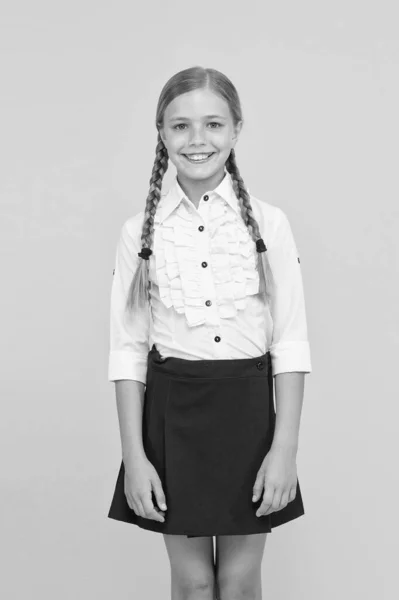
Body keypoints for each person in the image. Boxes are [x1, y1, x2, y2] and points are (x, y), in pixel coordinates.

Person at [107, 66, 312, 600]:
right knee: (194, 583)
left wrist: (284, 448)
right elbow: (127, 352)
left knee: (239, 582)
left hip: (248, 414)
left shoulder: (270, 224)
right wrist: (135, 455)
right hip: (174, 417)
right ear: (161, 133)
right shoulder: (139, 232)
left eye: (213, 124)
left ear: (237, 130)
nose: (197, 140)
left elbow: (289, 342)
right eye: (180, 126)